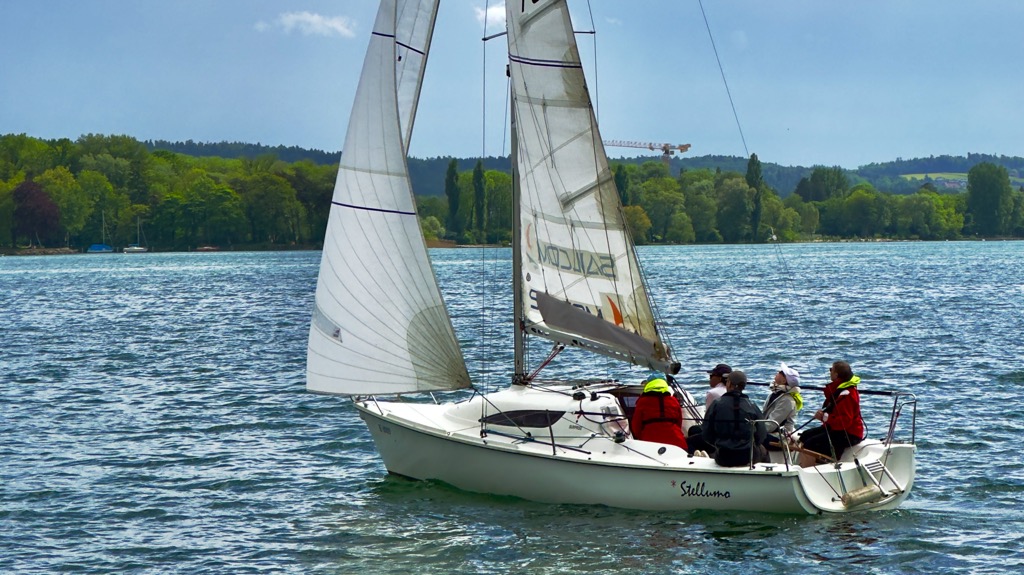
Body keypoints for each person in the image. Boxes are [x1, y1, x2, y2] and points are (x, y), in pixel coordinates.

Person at [798, 360, 865, 467]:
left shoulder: (847, 394)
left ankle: (806, 469)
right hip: (835, 428)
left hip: (849, 433)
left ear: (836, 374)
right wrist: (824, 416)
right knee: (805, 435)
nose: (829, 372)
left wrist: (824, 417)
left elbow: (845, 422)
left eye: (831, 370)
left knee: (810, 443)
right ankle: (809, 463)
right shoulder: (839, 389)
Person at [701, 370, 768, 467]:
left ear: (729, 383)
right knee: (763, 450)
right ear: (743, 386)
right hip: (746, 456)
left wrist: (717, 444)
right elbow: (762, 434)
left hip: (723, 457)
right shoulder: (752, 405)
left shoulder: (716, 404)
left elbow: (706, 433)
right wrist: (753, 443)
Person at [631, 376, 688, 450]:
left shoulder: (642, 402)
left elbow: (636, 426)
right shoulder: (674, 401)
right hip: (677, 443)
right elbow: (679, 423)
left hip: (650, 443)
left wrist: (640, 438)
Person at [761, 362, 804, 449]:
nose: (778, 372)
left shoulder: (787, 400)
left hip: (779, 438)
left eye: (780, 372)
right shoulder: (775, 394)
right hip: (770, 433)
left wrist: (754, 430)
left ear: (784, 381)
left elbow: (771, 425)